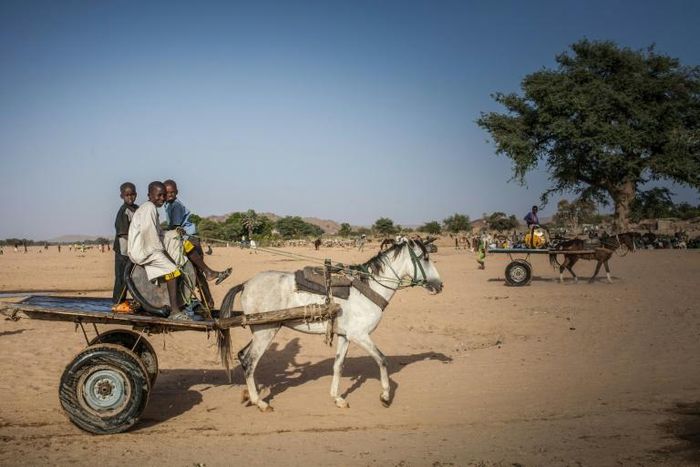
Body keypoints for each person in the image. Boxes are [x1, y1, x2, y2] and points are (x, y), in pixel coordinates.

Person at [128, 181, 189, 319]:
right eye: (159, 195)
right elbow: (151, 236)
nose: (162, 198)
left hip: (147, 246)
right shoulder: (149, 208)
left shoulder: (150, 208)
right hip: (144, 250)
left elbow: (159, 233)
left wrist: (175, 233)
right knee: (173, 271)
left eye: (163, 195)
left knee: (174, 236)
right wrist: (166, 255)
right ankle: (175, 311)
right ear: (149, 195)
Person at [162, 180, 232, 287]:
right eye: (167, 193)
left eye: (172, 192)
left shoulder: (175, 206)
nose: (170, 195)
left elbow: (175, 227)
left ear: (177, 192)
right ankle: (207, 293)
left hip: (189, 237)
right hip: (183, 236)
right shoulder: (168, 205)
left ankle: (209, 273)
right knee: (197, 272)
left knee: (196, 267)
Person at [112, 182, 138, 309]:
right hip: (123, 250)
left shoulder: (137, 209)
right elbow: (124, 234)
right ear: (121, 196)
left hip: (133, 250)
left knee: (132, 277)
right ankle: (118, 302)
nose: (130, 197)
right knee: (121, 277)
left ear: (136, 194)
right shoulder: (123, 211)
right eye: (127, 195)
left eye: (132, 194)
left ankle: (134, 301)